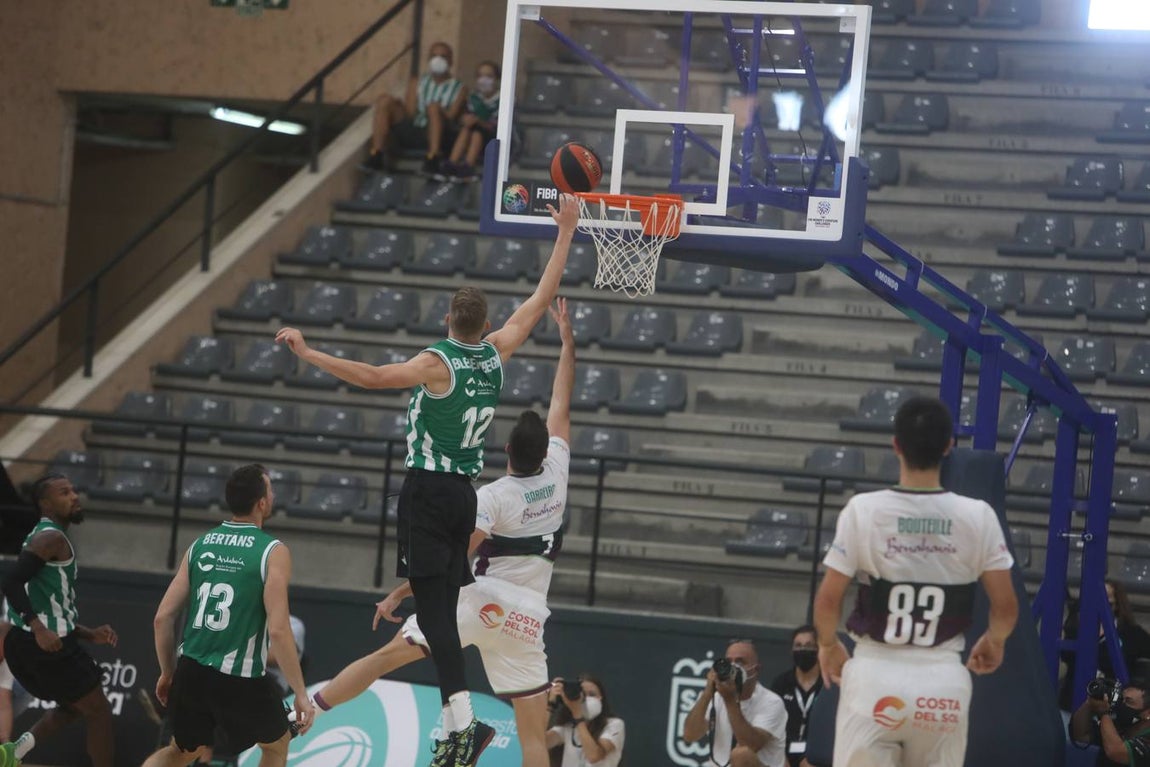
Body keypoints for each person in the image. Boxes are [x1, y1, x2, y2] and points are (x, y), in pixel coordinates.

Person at [275, 198, 578, 766]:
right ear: (485, 325)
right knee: (440, 611)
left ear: (447, 322)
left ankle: (450, 718)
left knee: (432, 621)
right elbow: (538, 302)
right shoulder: (496, 352)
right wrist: (565, 233)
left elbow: (370, 377)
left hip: (428, 491)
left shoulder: (436, 363)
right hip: (465, 498)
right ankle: (458, 718)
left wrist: (309, 350)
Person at [813, 396, 1019, 767]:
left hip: (874, 678)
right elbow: (1005, 609)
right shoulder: (978, 516)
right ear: (948, 447)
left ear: (896, 445)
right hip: (941, 682)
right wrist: (995, 641)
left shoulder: (864, 509)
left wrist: (827, 644)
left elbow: (828, 602)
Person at [141, 464, 314, 767]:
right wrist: (300, 692)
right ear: (262, 502)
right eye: (270, 490)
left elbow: (162, 618)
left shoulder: (201, 544)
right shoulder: (273, 551)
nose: (272, 495)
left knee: (181, 752)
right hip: (240, 676)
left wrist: (169, 673)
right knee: (277, 745)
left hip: (192, 669)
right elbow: (278, 631)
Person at [0, 473, 119, 767]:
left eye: (74, 489)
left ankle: (16, 752)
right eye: (64, 492)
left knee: (74, 705)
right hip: (37, 643)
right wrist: (38, 628)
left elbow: (47, 604)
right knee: (99, 711)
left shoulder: (46, 535)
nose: (74, 495)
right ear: (45, 503)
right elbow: (12, 582)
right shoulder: (50, 537)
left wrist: (88, 633)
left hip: (26, 642)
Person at [363, 41, 467, 175]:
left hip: (440, 131)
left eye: (443, 56)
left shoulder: (460, 88)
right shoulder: (417, 82)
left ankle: (433, 157)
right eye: (434, 56)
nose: (438, 60)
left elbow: (451, 117)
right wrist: (398, 106)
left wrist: (435, 111)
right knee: (384, 100)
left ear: (451, 61)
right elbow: (410, 113)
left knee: (433, 107)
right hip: (415, 127)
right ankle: (376, 154)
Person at [682, 639, 788, 767]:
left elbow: (751, 745)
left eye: (740, 661)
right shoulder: (716, 697)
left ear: (756, 669)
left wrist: (730, 700)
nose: (733, 667)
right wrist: (707, 694)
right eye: (729, 662)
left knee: (741, 756)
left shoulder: (772, 702)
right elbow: (690, 735)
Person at [1061, 580, 1150, 710]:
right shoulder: (1077, 628)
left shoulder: (1132, 633)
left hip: (1112, 707)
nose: (1100, 606)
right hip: (1073, 702)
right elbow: (1066, 656)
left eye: (1107, 601)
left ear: (1117, 605)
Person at [769, 625, 823, 767]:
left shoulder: (827, 685)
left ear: (819, 649)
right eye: (798, 645)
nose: (803, 650)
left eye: (809, 645)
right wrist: (781, 757)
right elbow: (772, 726)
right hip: (783, 753)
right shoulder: (781, 683)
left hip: (816, 756)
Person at [547, 674, 625, 767]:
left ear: (601, 698)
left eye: (592, 694)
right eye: (583, 695)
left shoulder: (614, 724)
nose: (587, 699)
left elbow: (594, 756)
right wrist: (550, 704)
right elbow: (538, 742)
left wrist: (577, 715)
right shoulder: (567, 728)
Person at [441, 60, 501, 183]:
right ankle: (452, 163)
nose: (484, 80)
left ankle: (468, 166)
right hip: (472, 131)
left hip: (493, 137)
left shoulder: (503, 98)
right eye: (480, 76)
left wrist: (479, 121)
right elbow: (466, 116)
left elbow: (498, 126)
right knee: (467, 129)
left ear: (497, 79)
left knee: (477, 132)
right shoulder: (474, 97)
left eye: (489, 76)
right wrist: (465, 119)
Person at [1070, 679, 1150, 766]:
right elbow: (1081, 735)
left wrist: (1104, 713)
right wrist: (1089, 703)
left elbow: (1115, 751)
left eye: (1129, 702)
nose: (1122, 705)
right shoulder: (1119, 725)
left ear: (1148, 713)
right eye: (1121, 699)